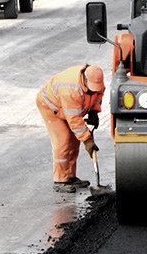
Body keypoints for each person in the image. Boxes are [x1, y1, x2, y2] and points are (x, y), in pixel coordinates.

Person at [36, 65, 105, 193]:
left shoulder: (96, 80)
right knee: (63, 140)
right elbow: (74, 120)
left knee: (74, 141)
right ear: (85, 80)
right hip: (51, 107)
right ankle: (60, 181)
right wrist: (87, 140)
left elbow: (98, 95)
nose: (94, 90)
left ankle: (70, 177)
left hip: (68, 109)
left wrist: (94, 112)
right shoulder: (70, 89)